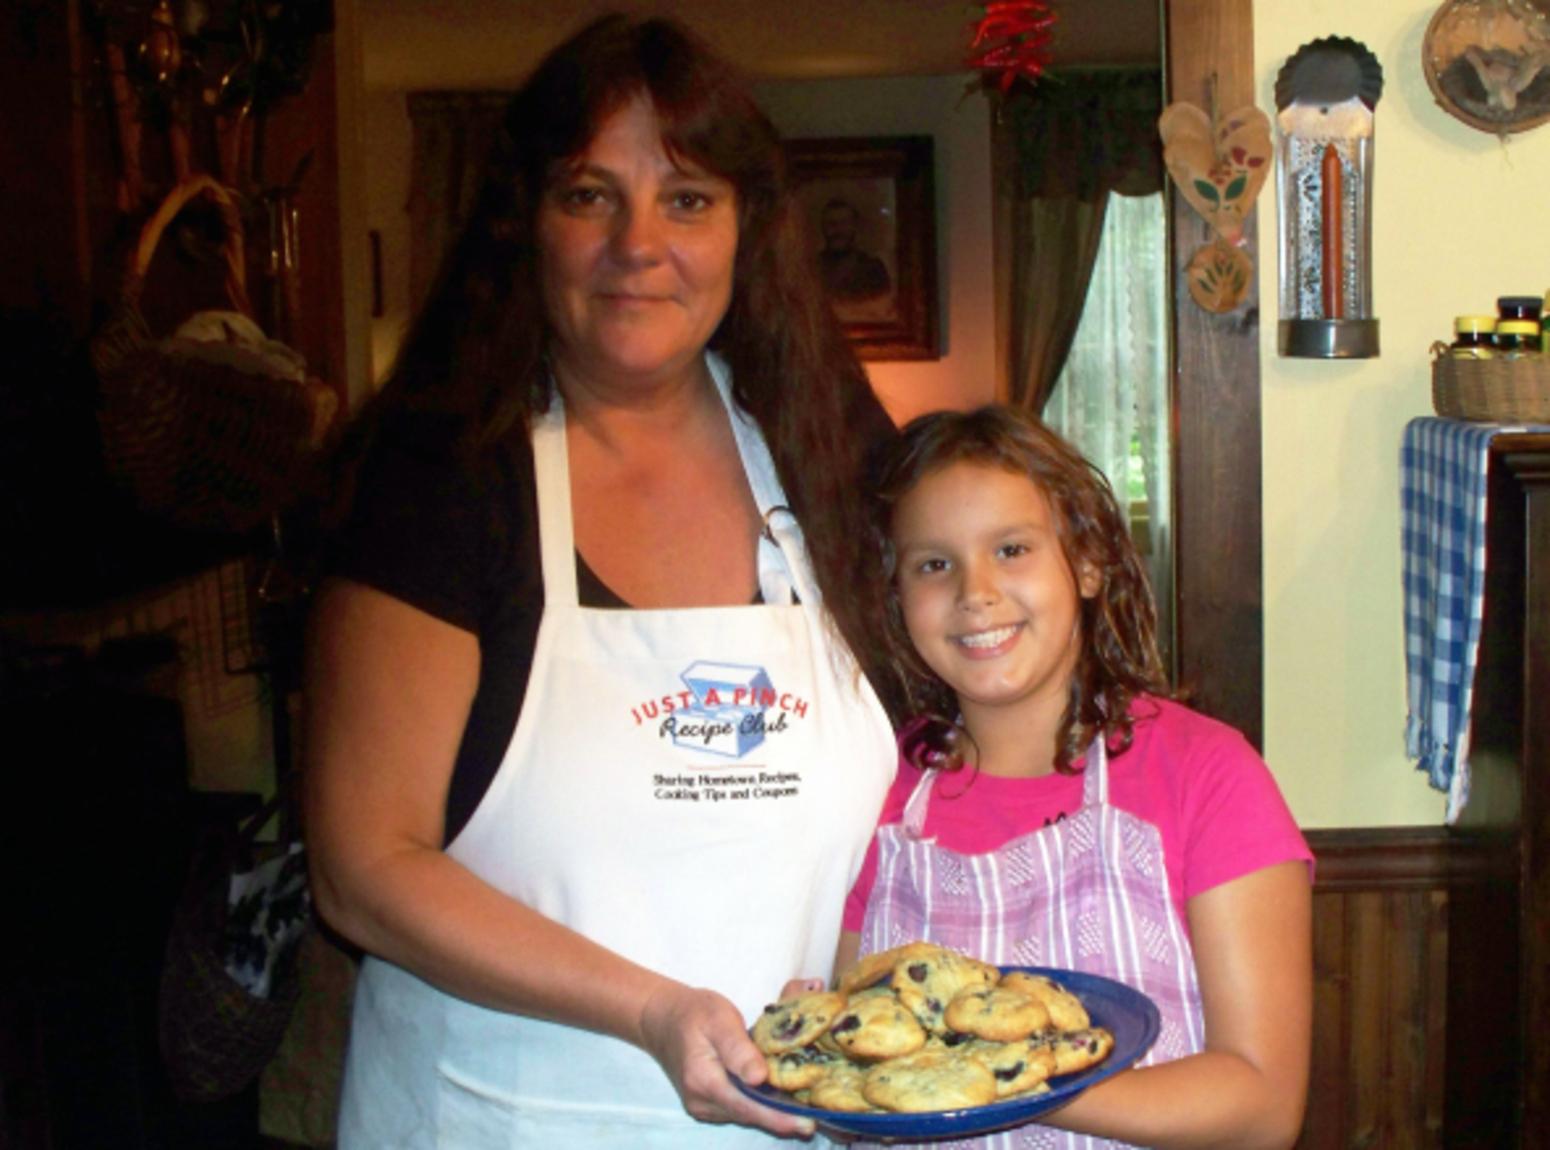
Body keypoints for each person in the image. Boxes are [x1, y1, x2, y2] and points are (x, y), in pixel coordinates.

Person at [302, 14, 901, 1147]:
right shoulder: (439, 479)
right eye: (589, 195)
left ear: (744, 231)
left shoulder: (825, 454)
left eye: (687, 199)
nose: (639, 243)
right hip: (497, 1118)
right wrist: (649, 1009)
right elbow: (363, 868)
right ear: (524, 223)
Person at [836, 406, 1313, 1149]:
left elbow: (1261, 1105)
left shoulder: (1207, 774)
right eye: (934, 564)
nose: (975, 591)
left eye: (1013, 549)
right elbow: (858, 1051)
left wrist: (1000, 1080)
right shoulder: (870, 788)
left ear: (1087, 564)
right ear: (897, 598)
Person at [817, 197, 893, 303]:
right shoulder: (811, 269)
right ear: (823, 228)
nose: (838, 230)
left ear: (854, 227)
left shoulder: (873, 269)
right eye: (831, 224)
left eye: (844, 223)